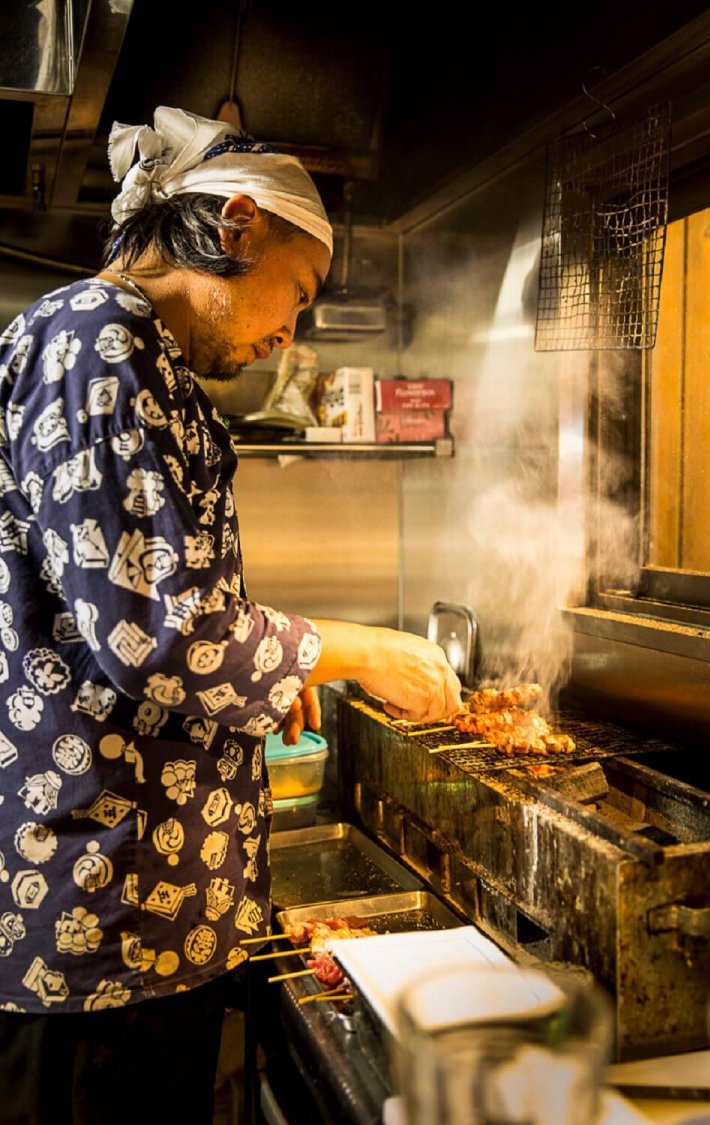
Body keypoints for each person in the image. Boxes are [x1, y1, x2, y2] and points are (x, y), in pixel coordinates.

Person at [0, 105, 462, 1123]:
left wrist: (262, 681)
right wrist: (357, 649)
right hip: (100, 918)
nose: (290, 330)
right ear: (237, 223)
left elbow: (148, 602)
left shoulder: (131, 352)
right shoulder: (96, 340)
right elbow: (154, 632)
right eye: (298, 291)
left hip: (140, 906)